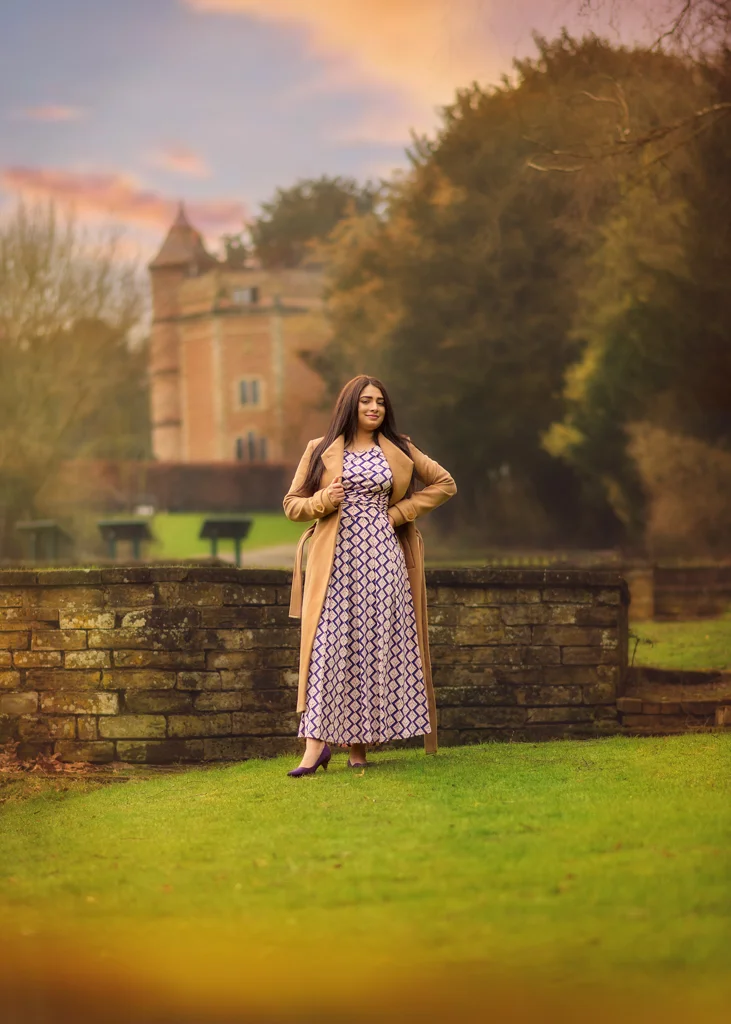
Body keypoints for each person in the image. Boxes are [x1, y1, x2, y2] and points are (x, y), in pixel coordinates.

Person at [283, 375, 457, 777]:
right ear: (350, 405)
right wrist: (326, 499)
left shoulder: (399, 448)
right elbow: (292, 505)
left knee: (369, 649)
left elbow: (445, 483)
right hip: (334, 563)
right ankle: (314, 748)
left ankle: (358, 747)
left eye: (380, 401)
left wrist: (397, 513)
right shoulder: (320, 449)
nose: (374, 408)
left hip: (382, 561)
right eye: (365, 401)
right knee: (328, 649)